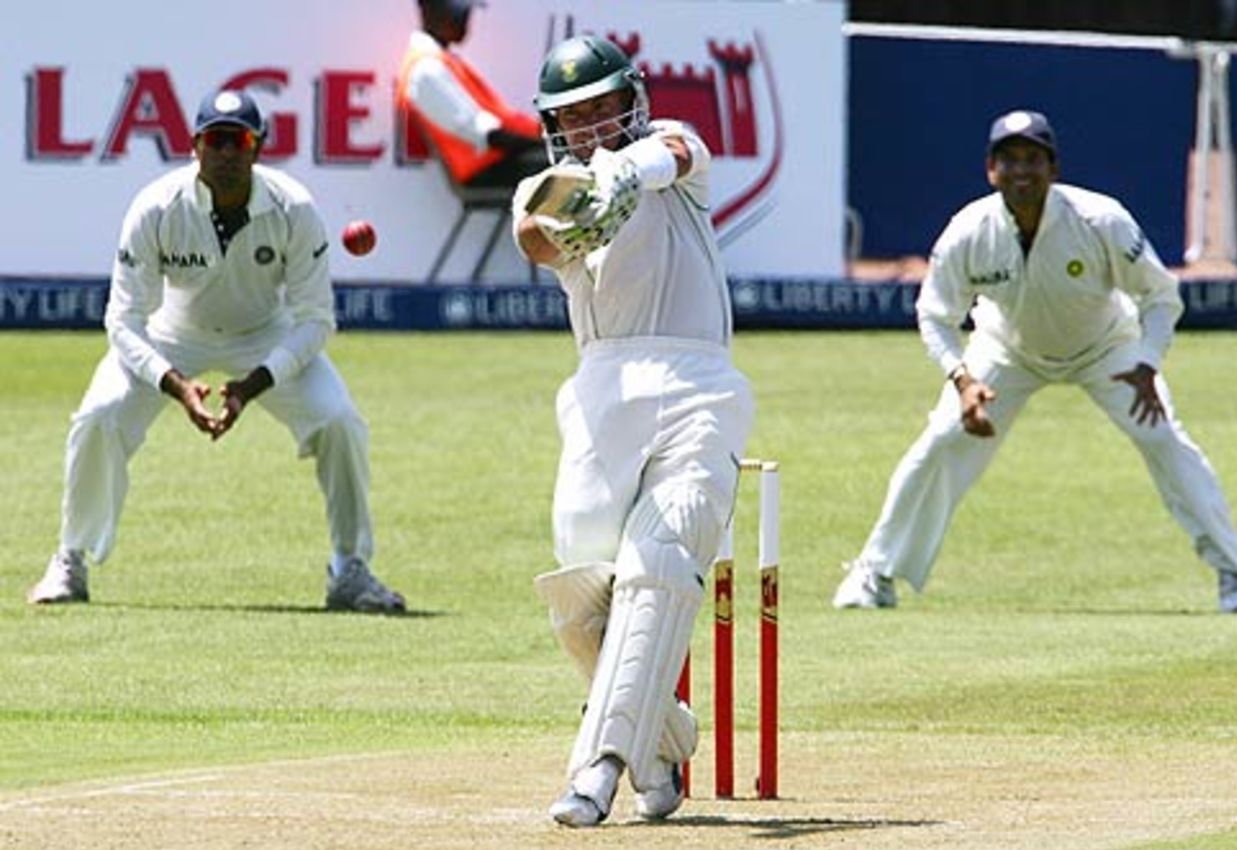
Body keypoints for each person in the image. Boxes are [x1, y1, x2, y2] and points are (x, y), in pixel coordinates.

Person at [832, 109, 1237, 615]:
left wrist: (1147, 362)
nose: (1021, 171)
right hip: (1005, 349)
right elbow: (935, 315)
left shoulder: (1100, 220)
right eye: (1009, 160)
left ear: (1052, 167)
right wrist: (963, 379)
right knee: (940, 441)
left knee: (1163, 437)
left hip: (1108, 347)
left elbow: (1161, 296)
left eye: (1032, 159)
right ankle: (874, 573)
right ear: (991, 170)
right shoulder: (968, 231)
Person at [26, 88, 406, 614]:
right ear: (194, 146)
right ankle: (70, 559)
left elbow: (316, 320)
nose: (227, 152)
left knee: (340, 420)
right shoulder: (156, 206)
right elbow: (123, 318)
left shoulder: (294, 208)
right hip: (173, 333)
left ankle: (351, 569)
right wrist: (174, 383)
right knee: (99, 415)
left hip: (264, 336)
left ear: (258, 147)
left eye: (239, 140)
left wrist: (253, 385)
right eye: (215, 140)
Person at [515, 36, 754, 826]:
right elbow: (535, 237)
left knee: (659, 562)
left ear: (630, 101)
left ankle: (598, 769)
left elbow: (678, 153)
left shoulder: (675, 157)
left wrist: (627, 169)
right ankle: (666, 735)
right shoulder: (542, 188)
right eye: (572, 119)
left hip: (698, 388)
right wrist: (581, 205)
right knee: (578, 596)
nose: (590, 128)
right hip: (599, 395)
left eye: (602, 110)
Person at [397, 0, 547, 190]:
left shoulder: (440, 59)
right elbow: (486, 135)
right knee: (571, 169)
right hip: (486, 168)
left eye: (466, 13)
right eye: (457, 12)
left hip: (501, 159)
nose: (464, 21)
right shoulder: (426, 69)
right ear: (428, 8)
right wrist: (542, 145)